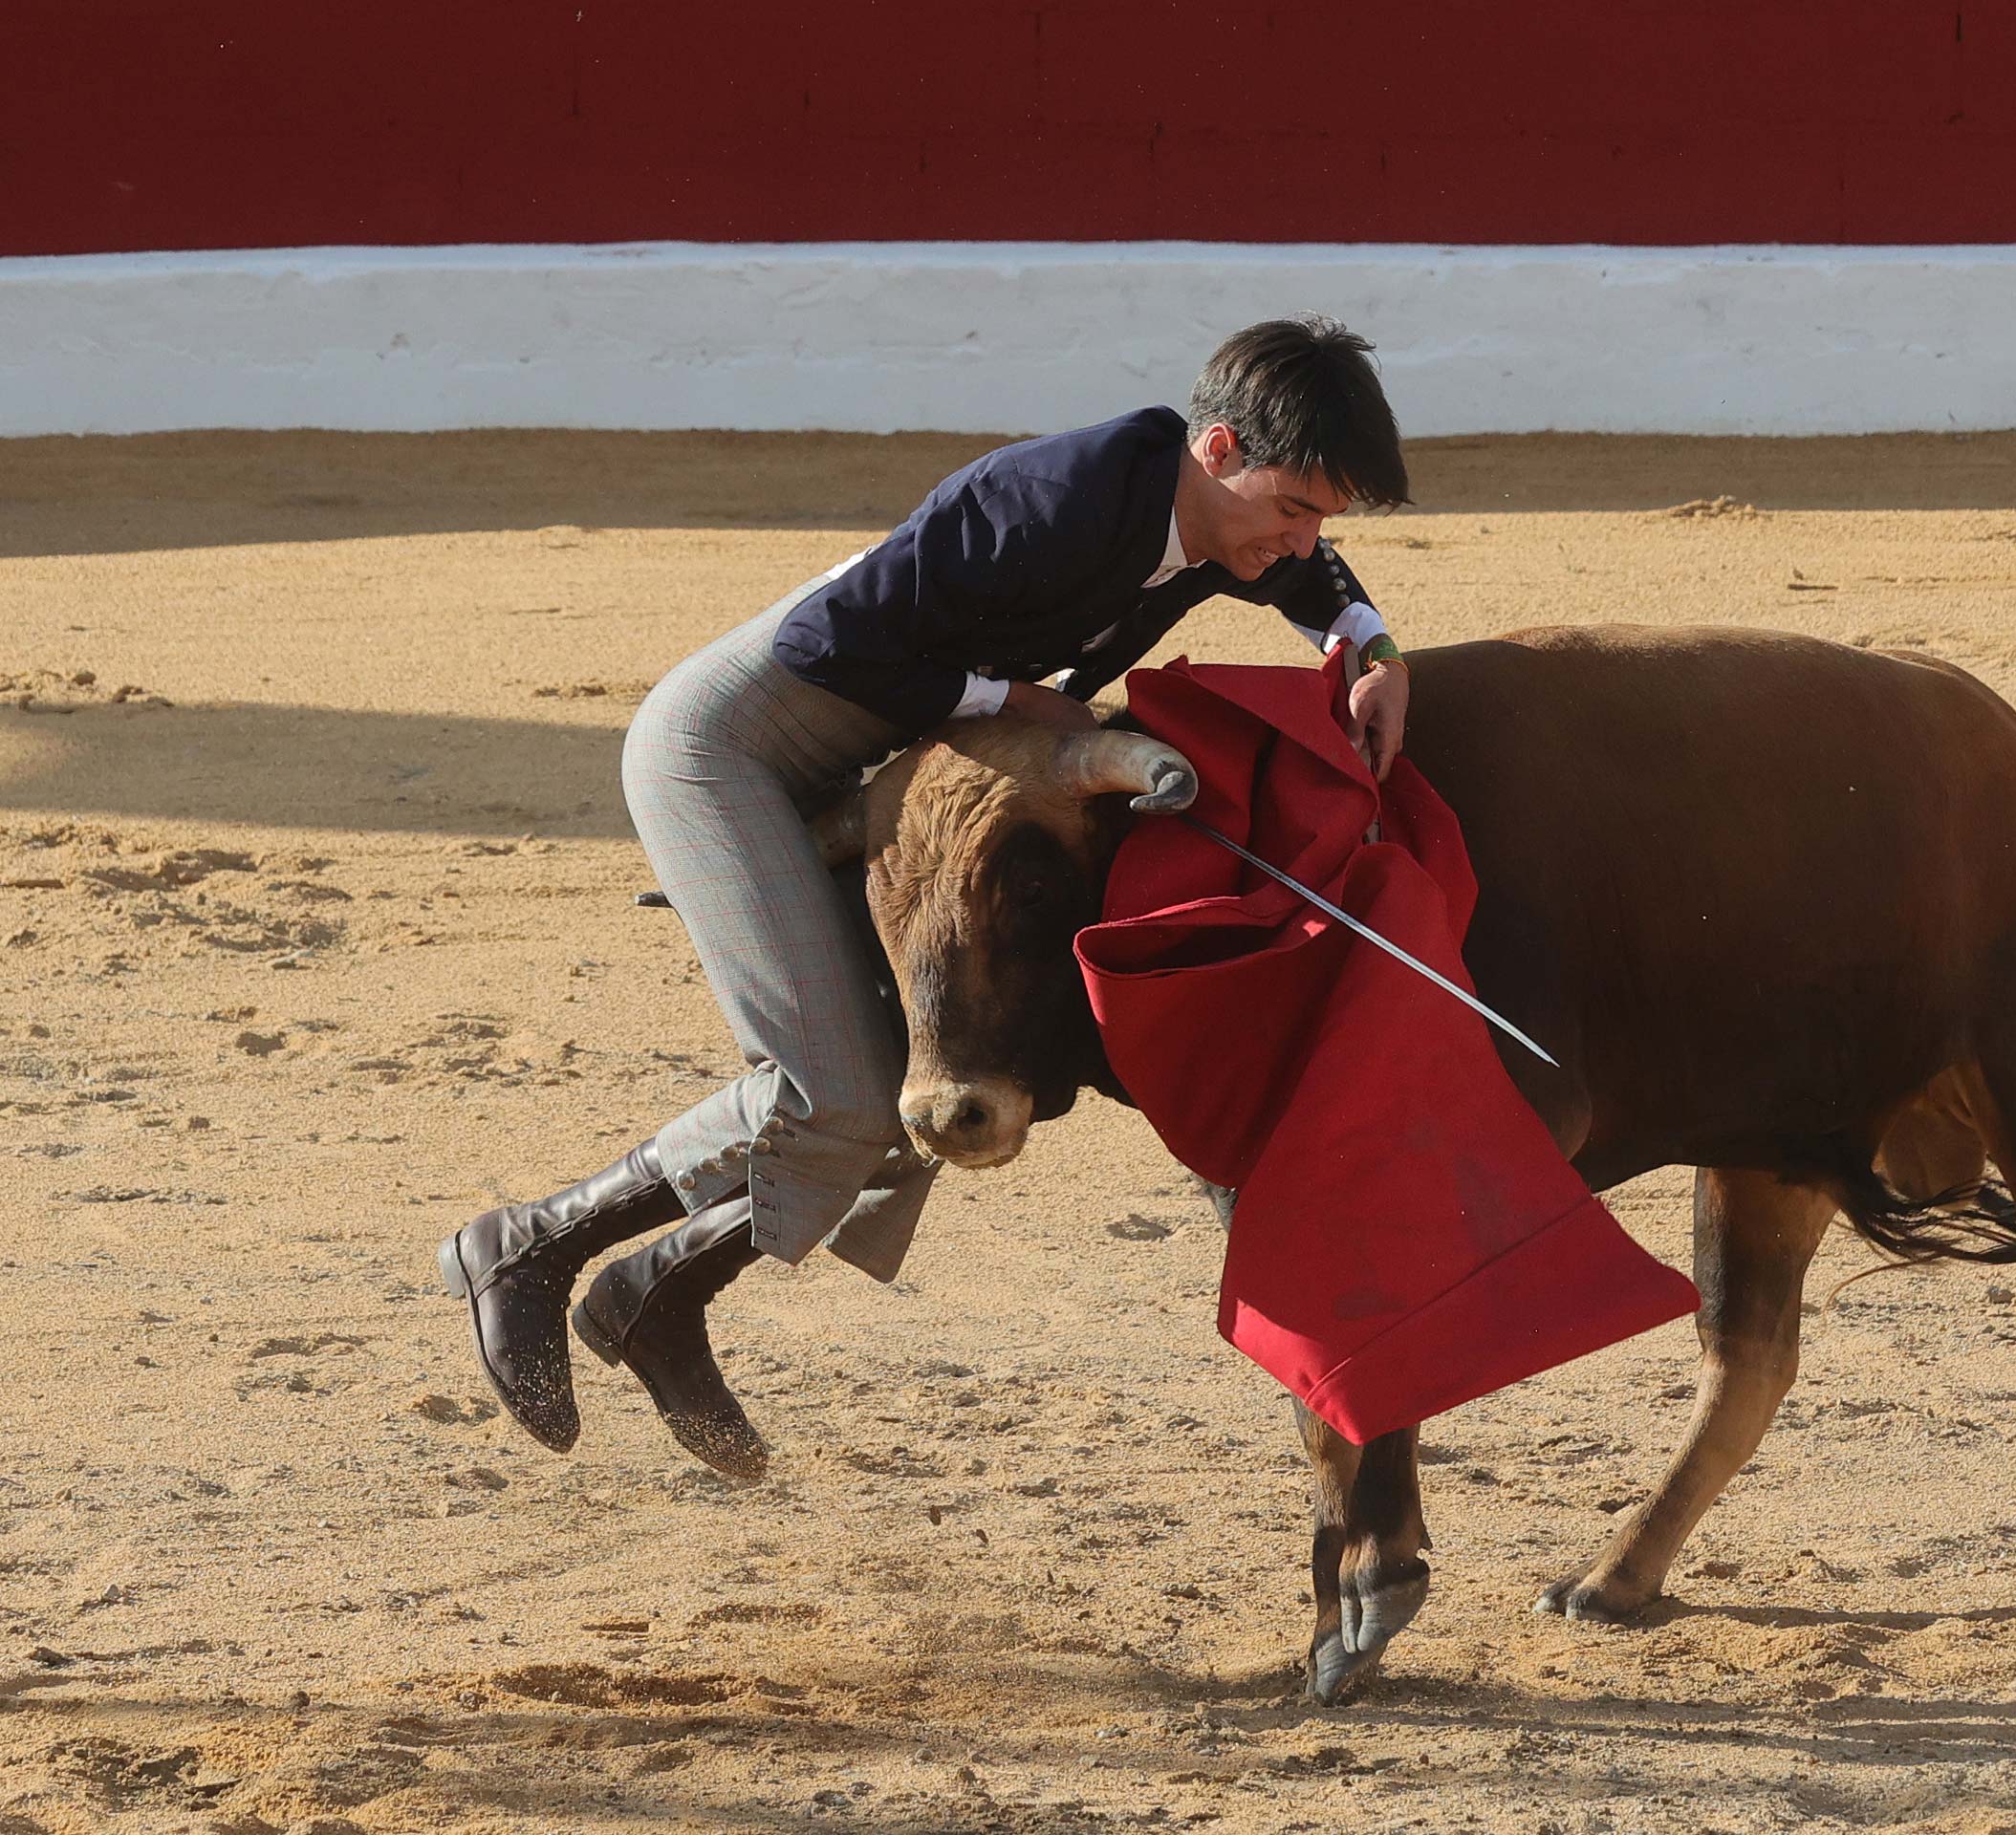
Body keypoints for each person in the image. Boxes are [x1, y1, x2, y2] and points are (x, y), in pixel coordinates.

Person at [439, 315, 1414, 1479]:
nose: (1300, 541)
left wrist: (1367, 640)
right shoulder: (1057, 498)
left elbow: (1309, 576)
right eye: (1293, 508)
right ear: (1213, 450)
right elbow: (820, 638)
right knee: (835, 1090)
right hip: (733, 752)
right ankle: (531, 1248)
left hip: (875, 770)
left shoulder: (1210, 516)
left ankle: (660, 1291)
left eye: (1323, 520)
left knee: (926, 1068)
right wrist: (1008, 696)